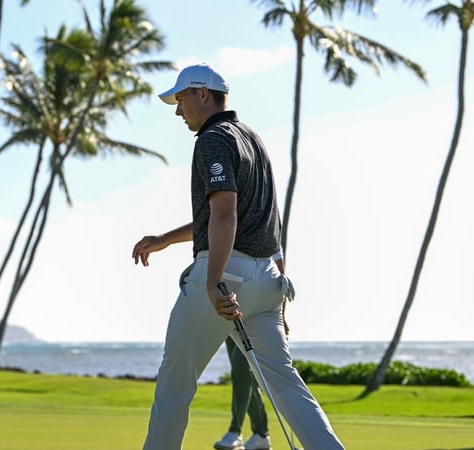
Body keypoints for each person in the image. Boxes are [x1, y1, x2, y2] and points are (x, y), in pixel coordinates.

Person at [132, 63, 344, 450]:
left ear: (202, 94)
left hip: (227, 276)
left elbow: (226, 213)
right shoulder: (253, 138)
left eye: (180, 99)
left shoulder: (212, 139)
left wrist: (213, 281)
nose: (178, 111)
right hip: (267, 280)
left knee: (174, 384)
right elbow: (252, 220)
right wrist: (165, 239)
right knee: (286, 385)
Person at [213, 252, 286, 450]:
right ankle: (261, 433)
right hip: (228, 303)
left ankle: (234, 431)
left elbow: (280, 274)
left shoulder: (265, 226)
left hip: (256, 310)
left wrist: (282, 317)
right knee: (246, 377)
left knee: (240, 371)